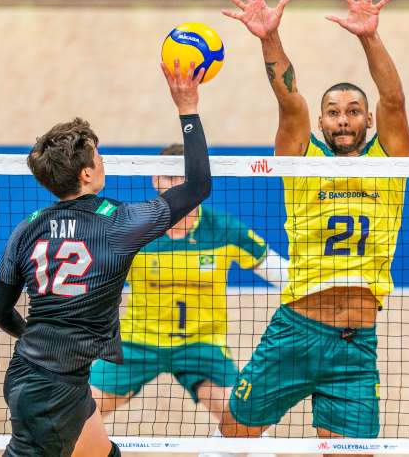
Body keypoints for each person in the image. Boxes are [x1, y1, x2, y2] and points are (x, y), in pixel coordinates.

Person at [219, 0, 409, 442]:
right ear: (321, 121)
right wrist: (270, 38)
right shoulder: (302, 160)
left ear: (367, 120)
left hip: (355, 347)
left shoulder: (392, 163)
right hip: (295, 332)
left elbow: (395, 99)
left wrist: (370, 37)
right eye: (332, 111)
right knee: (232, 434)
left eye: (352, 110)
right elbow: (289, 99)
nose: (343, 118)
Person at [0, 60, 211, 456]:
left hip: (44, 375)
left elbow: (1, 313)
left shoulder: (26, 229)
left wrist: (39, 338)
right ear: (87, 174)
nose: (103, 159)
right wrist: (188, 108)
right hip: (50, 389)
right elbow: (197, 186)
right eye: (99, 155)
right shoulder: (119, 223)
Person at [89, 143, 288, 449]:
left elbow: (283, 275)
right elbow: (94, 283)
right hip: (136, 344)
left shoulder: (223, 229)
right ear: (156, 181)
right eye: (170, 179)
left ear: (197, 182)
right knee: (78, 414)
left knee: (246, 424)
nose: (178, 186)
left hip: (202, 346)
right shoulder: (132, 228)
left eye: (184, 178)